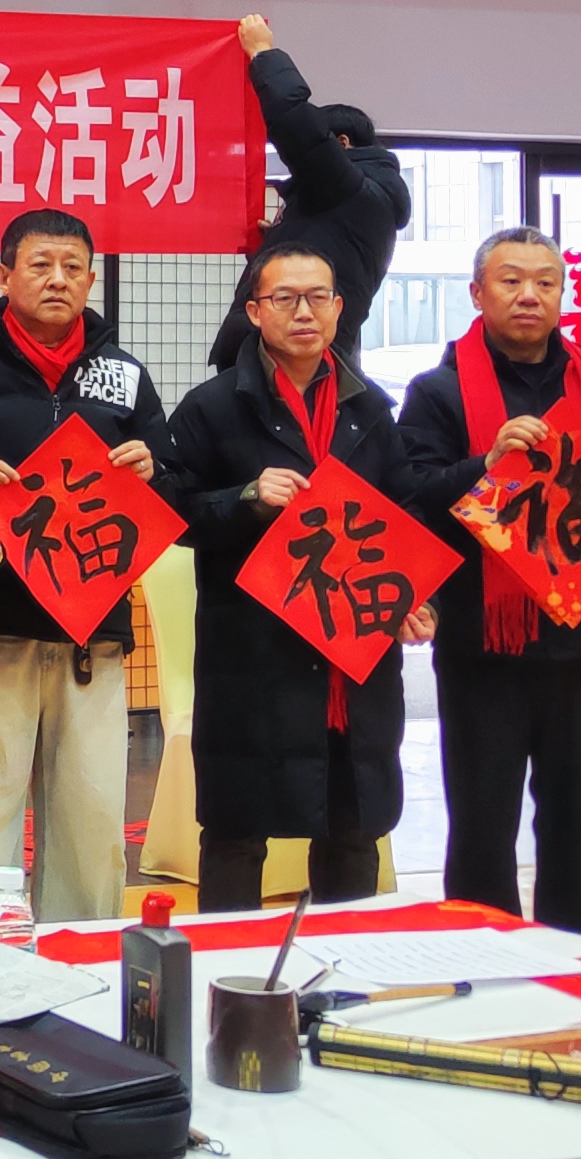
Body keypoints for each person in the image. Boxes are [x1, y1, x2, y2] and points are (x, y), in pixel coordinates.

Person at [393, 227, 581, 942]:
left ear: (562, 294)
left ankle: (579, 956)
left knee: (579, 815)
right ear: (477, 293)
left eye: (546, 282)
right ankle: (482, 953)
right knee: (483, 820)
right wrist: (486, 464)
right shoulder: (438, 391)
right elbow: (412, 494)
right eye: (511, 280)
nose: (529, 295)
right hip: (484, 639)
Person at [159, 232, 428, 912]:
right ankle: (226, 968)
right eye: (285, 298)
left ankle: (344, 966)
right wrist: (244, 497)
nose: (303, 312)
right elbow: (169, 512)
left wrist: (412, 597)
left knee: (353, 829)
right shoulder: (211, 407)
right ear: (255, 311)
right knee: (236, 832)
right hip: (253, 657)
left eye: (317, 297)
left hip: (353, 660)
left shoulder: (371, 410)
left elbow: (404, 516)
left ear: (339, 308)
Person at [0, 206, 173, 930]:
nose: (58, 280)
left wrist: (153, 470)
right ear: (4, 276)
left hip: (92, 634)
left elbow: (175, 484)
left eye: (73, 268)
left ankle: (83, 955)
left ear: (91, 280)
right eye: (40, 265)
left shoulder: (124, 376)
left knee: (93, 823)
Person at [204, 15, 411, 372]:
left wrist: (263, 53)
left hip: (289, 364)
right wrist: (277, 245)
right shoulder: (359, 203)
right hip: (294, 360)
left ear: (341, 143)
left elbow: (298, 126)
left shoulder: (350, 191)